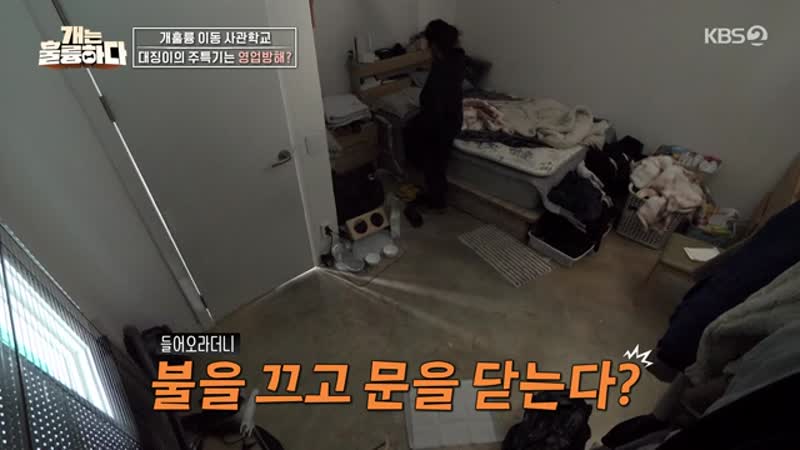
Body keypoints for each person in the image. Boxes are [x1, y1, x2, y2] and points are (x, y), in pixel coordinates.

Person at [404, 19, 466, 213]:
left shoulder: (442, 69)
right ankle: (434, 194)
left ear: (436, 45)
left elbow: (433, 103)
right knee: (416, 132)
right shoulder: (457, 59)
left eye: (430, 45)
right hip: (453, 118)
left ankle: (436, 201)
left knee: (433, 162)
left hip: (441, 124)